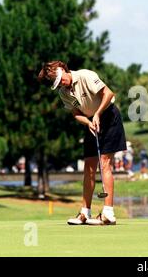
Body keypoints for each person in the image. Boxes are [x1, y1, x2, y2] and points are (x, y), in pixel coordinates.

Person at [38, 61, 126, 225]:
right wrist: (88, 122)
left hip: (109, 117)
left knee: (104, 163)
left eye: (61, 80)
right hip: (91, 122)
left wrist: (98, 114)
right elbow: (76, 113)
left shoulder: (86, 75)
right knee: (89, 166)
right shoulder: (63, 93)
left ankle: (108, 212)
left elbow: (109, 94)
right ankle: (85, 212)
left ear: (63, 69)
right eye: (57, 84)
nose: (61, 84)